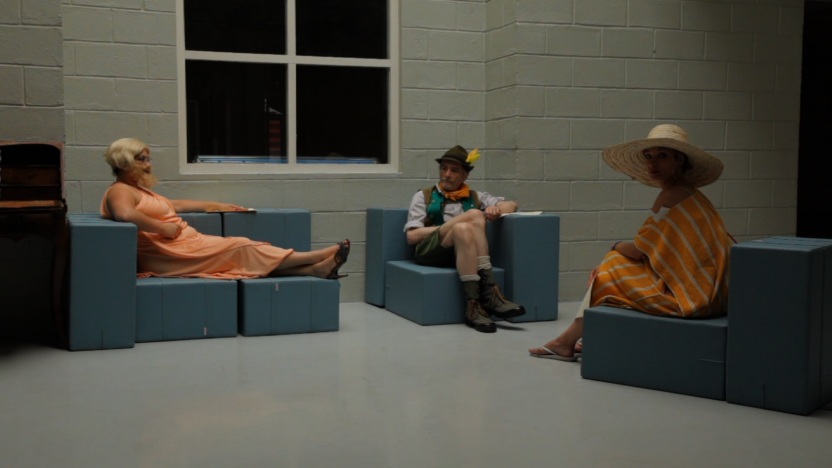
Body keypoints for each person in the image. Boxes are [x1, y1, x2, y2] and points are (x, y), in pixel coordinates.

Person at [530, 124, 732, 361]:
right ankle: (579, 338)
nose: (653, 163)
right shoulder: (691, 193)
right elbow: (654, 250)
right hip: (716, 294)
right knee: (613, 265)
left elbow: (638, 251)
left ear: (679, 160)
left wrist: (614, 246)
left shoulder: (672, 195)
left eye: (662, 155)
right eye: (648, 156)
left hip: (694, 297)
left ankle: (566, 342)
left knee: (610, 267)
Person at [100, 138, 349, 280]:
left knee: (241, 256)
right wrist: (163, 228)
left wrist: (217, 205)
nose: (148, 164)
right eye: (141, 159)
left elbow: (175, 205)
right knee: (242, 246)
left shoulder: (140, 191)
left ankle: (314, 270)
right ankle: (315, 257)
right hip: (169, 254)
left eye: (148, 158)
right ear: (124, 161)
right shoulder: (120, 190)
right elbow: (125, 214)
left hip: (185, 246)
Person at [405, 145, 525, 333]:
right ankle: (490, 292)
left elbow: (512, 204)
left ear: (465, 175)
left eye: (454, 170)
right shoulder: (423, 196)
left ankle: (473, 305)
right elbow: (412, 236)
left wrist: (497, 209)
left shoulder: (476, 196)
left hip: (464, 254)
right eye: (444, 168)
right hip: (431, 252)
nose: (447, 174)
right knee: (473, 216)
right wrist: (449, 226)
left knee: (463, 228)